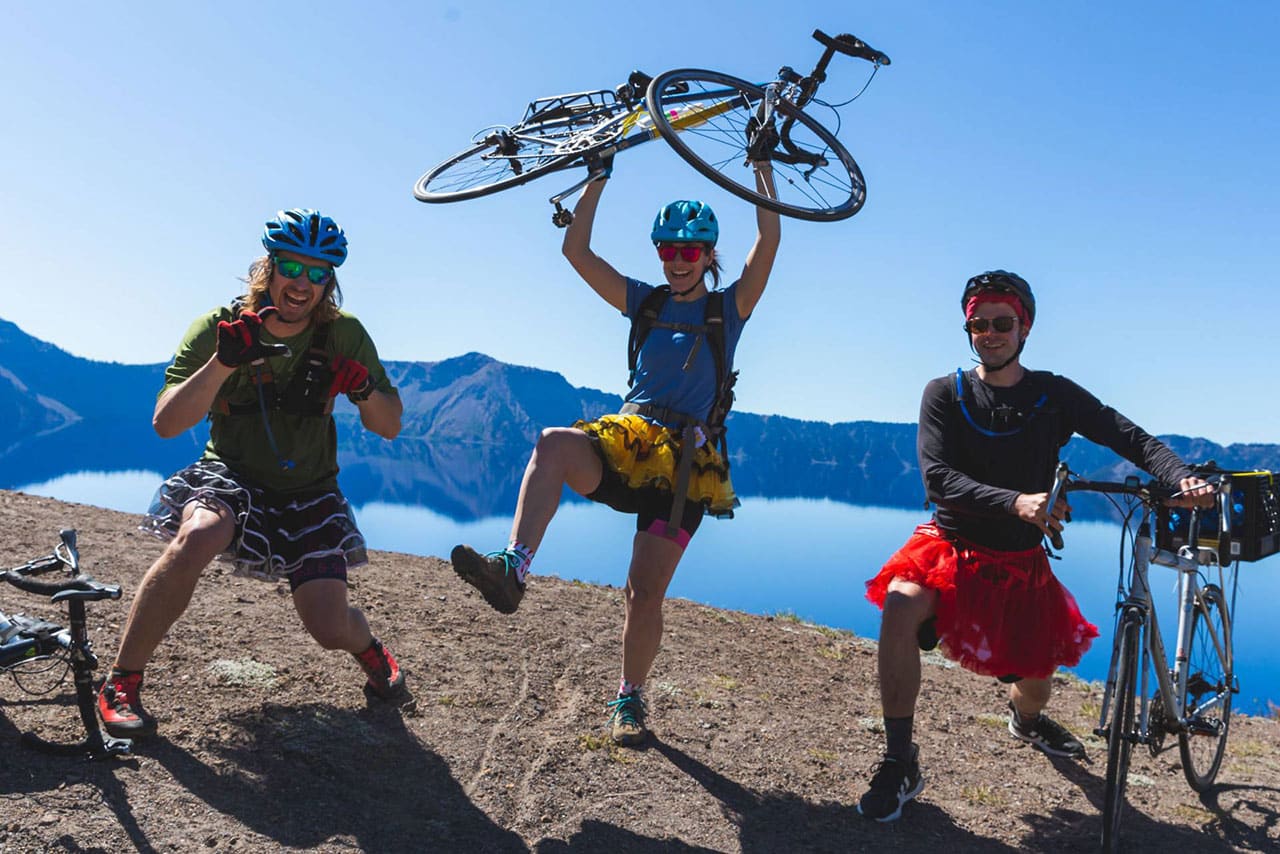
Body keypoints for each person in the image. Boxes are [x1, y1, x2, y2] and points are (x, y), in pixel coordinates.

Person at [857, 270, 1211, 822]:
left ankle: (1024, 721)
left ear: (1024, 328)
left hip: (1020, 562)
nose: (990, 333)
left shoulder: (1054, 395)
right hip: (949, 544)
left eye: (1002, 323)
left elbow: (1131, 437)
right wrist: (1017, 501)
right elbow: (938, 479)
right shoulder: (944, 393)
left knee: (1036, 686)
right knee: (900, 607)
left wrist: (1180, 476)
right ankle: (900, 761)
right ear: (967, 328)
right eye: (979, 324)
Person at [450, 156, 780, 746]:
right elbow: (576, 253)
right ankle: (513, 569)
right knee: (552, 444)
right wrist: (596, 178)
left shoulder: (727, 309)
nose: (677, 260)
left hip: (685, 467)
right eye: (668, 249)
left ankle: (629, 700)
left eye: (690, 250)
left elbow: (770, 235)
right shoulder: (646, 303)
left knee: (642, 591)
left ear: (709, 255)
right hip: (626, 444)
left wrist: (760, 168)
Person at [97, 208, 406, 739]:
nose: (302, 283)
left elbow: (390, 426)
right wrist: (222, 362)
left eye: (318, 273)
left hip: (309, 489)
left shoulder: (344, 335)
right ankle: (122, 681)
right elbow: (167, 423)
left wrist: (361, 391)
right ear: (269, 268)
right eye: (292, 267)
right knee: (198, 534)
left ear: (329, 282)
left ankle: (372, 651)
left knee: (329, 627)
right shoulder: (220, 325)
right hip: (230, 474)